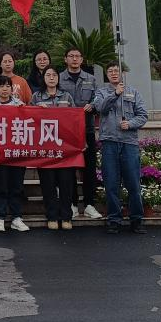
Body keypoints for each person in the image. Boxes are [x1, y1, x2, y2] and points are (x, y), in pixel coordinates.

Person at [93, 63, 149, 234]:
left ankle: (136, 219)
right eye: (110, 71)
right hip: (109, 142)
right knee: (111, 183)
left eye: (116, 71)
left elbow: (143, 115)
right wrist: (115, 94)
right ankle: (114, 219)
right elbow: (100, 108)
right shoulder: (101, 92)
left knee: (133, 183)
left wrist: (130, 123)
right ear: (106, 74)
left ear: (122, 73)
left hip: (129, 143)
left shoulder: (133, 92)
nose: (113, 73)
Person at [58, 46, 101, 220]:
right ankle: (73, 204)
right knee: (69, 169)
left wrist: (94, 105)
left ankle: (89, 204)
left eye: (77, 56)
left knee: (89, 168)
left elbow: (98, 98)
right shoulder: (59, 78)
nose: (74, 59)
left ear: (82, 60)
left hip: (87, 129)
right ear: (65, 59)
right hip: (66, 132)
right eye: (71, 56)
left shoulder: (91, 79)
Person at [31, 65, 76, 230]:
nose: (51, 78)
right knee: (48, 183)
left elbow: (75, 119)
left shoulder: (66, 96)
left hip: (65, 148)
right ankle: (51, 216)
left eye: (54, 75)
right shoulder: (37, 97)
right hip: (45, 147)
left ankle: (66, 216)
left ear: (58, 78)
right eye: (48, 75)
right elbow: (28, 119)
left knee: (66, 183)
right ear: (43, 78)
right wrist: (37, 110)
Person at [0, 75, 29, 232]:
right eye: (1, 86)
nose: (5, 89)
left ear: (12, 89)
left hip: (17, 153)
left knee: (17, 186)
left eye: (7, 86)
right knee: (1, 186)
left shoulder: (20, 106)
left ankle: (16, 217)